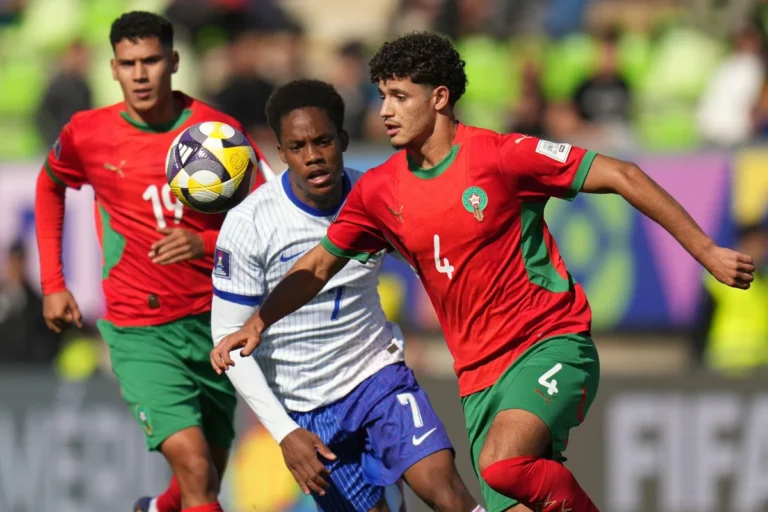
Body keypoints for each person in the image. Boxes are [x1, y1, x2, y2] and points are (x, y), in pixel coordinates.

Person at [210, 32, 757, 512]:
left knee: (499, 464)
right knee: (508, 489)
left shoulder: (502, 156)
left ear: (440, 98)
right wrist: (260, 319)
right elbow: (318, 265)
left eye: (400, 97)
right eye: (382, 97)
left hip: (550, 343)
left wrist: (705, 250)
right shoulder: (378, 191)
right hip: (478, 378)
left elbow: (623, 173)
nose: (386, 112)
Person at [34, 11, 273, 512]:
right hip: (139, 328)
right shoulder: (88, 133)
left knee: (205, 472)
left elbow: (267, 223)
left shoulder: (219, 132)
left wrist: (203, 246)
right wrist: (54, 282)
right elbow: (50, 183)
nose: (140, 74)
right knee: (195, 468)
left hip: (214, 324)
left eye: (151, 60)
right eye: (128, 63)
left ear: (174, 61)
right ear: (114, 68)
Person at [210, 79, 485, 512]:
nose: (313, 156)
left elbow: (432, 260)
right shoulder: (249, 225)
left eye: (323, 141)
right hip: (307, 410)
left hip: (377, 376)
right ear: (281, 153)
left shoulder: (375, 197)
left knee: (444, 489)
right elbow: (228, 340)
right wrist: (285, 433)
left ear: (343, 139)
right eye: (297, 147)